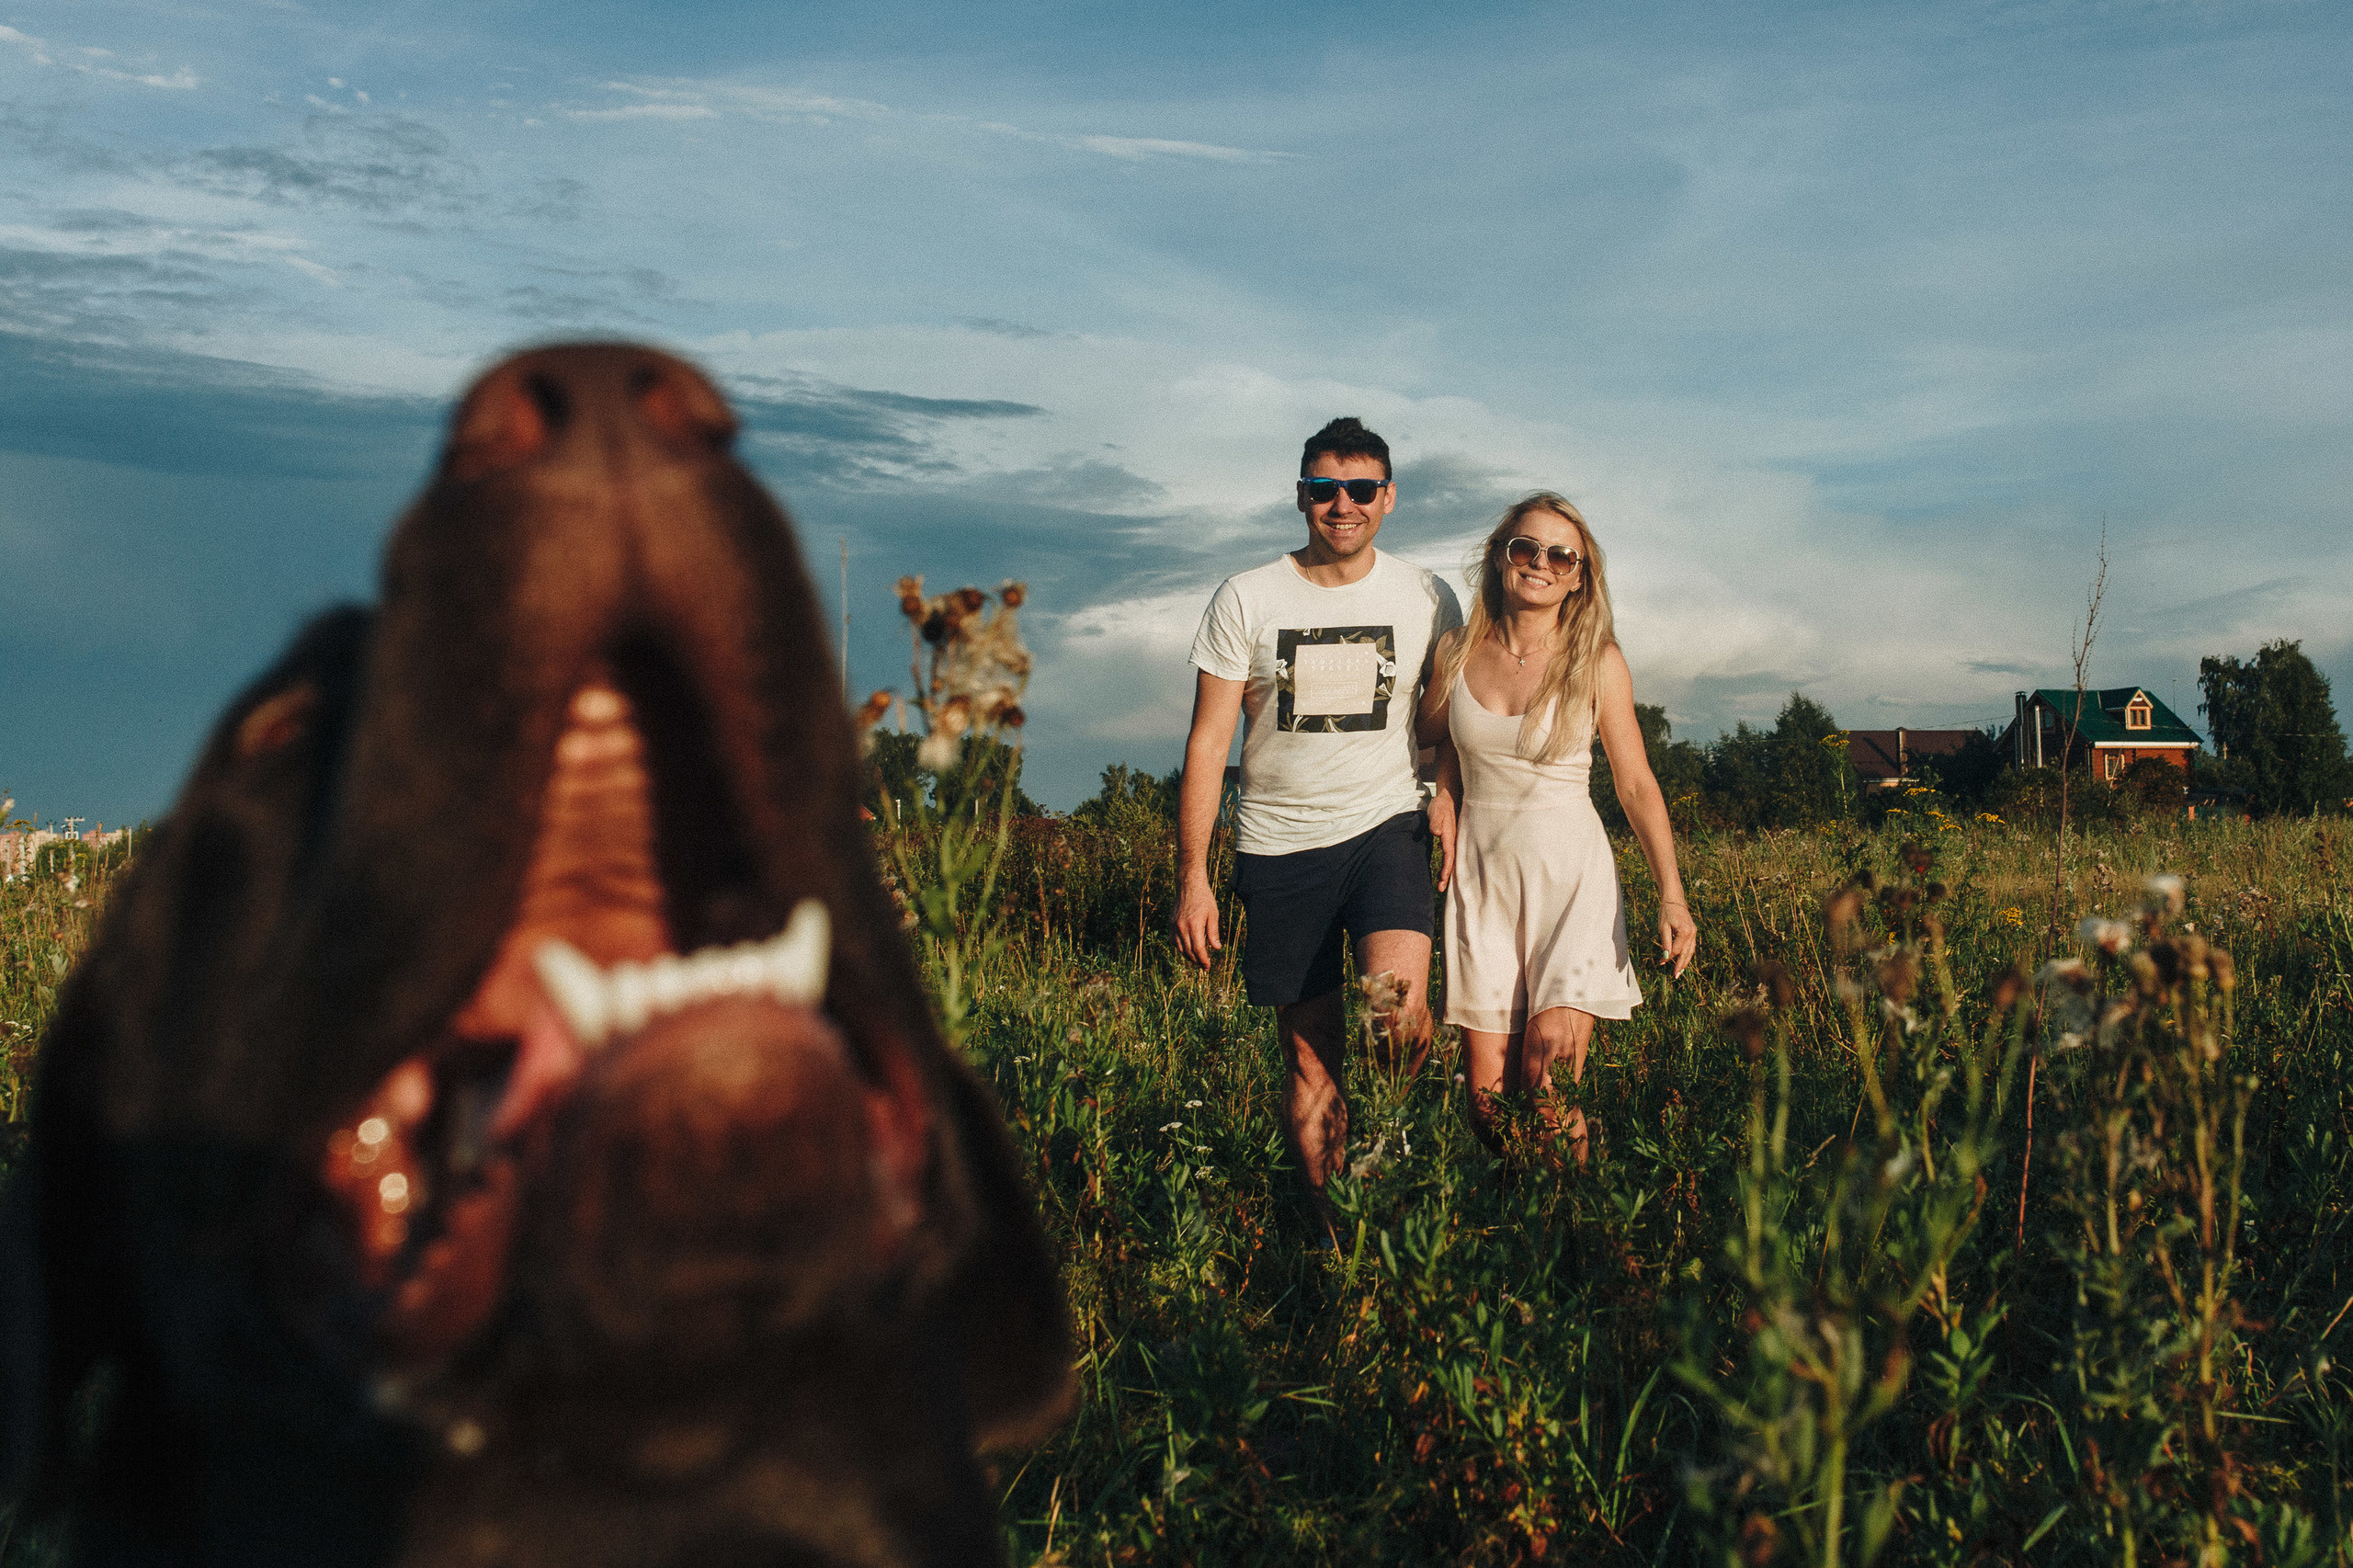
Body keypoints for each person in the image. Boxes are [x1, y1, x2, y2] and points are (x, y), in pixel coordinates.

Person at [1174, 416, 1462, 1231]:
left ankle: (1403, 1178)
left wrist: (1445, 790)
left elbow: (1446, 725)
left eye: (1361, 489)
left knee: (1399, 1018)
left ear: (1388, 498)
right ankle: (1338, 1239)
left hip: (1387, 830)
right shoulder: (1247, 596)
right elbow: (1206, 743)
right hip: (1278, 843)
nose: (1343, 505)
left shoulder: (1428, 596)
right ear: (1301, 496)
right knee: (1310, 1057)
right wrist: (1193, 876)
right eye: (1324, 489)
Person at [1415, 492, 1696, 1162]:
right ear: (1500, 557)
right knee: (1486, 1106)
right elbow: (1434, 738)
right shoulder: (1454, 650)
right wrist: (1446, 790)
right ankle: (1522, 1223)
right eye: (1525, 548)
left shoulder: (1596, 659)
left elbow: (1635, 785)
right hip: (1482, 881)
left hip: (1570, 879)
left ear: (1579, 576)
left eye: (1559, 555)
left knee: (1544, 1084)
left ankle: (1568, 1235)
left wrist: (1672, 893)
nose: (1539, 563)